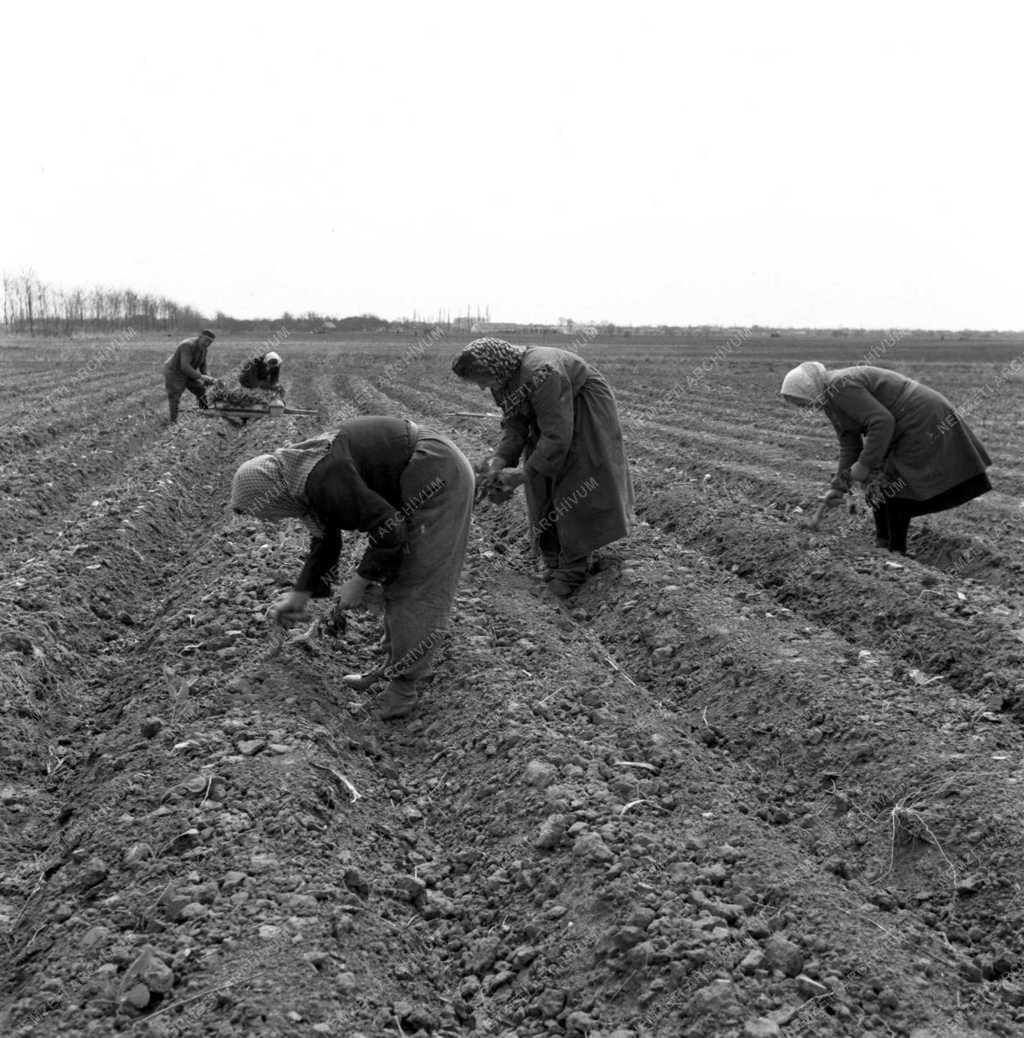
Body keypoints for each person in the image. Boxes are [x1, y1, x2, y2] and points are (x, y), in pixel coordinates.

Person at [229, 416, 475, 720]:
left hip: (436, 473)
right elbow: (325, 541)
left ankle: (403, 690)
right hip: (420, 473)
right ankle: (391, 667)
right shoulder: (302, 477)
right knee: (396, 578)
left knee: (416, 583)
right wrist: (299, 595)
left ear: (270, 493)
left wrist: (360, 580)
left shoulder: (321, 478)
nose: (269, 519)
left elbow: (389, 528)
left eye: (264, 511)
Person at [451, 337, 634, 597]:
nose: (481, 387)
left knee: (573, 478)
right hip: (551, 415)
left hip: (582, 407)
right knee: (539, 485)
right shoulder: (501, 377)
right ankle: (553, 560)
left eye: (481, 379)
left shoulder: (542, 372)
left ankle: (573, 569)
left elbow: (557, 435)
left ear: (493, 368)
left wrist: (523, 474)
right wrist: (499, 462)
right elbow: (515, 427)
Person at [780, 361, 992, 554]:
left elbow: (881, 421)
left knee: (895, 485)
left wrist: (865, 464)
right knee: (880, 486)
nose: (805, 408)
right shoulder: (829, 399)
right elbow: (849, 443)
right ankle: (885, 546)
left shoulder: (839, 385)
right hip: (903, 422)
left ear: (808, 389)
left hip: (921, 417)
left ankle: (895, 550)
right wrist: (839, 486)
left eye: (801, 402)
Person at [163, 329, 216, 422]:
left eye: (210, 342)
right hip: (175, 372)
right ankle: (173, 422)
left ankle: (205, 412)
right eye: (206, 340)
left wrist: (207, 377)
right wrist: (202, 377)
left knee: (200, 389)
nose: (207, 343)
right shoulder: (187, 345)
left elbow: (203, 365)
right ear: (200, 337)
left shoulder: (204, 349)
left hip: (188, 372)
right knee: (175, 396)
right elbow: (185, 366)